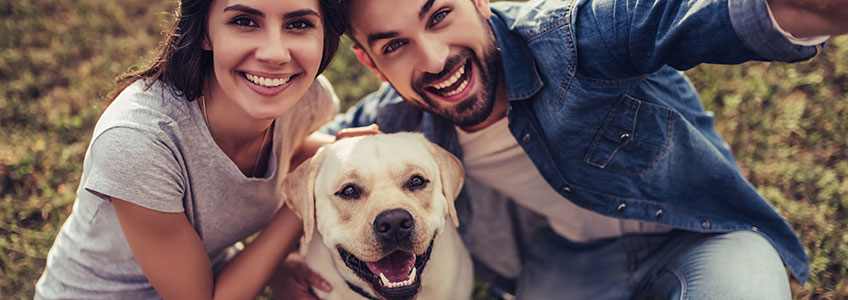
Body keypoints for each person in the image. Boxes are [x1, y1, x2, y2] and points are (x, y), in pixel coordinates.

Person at [303, 0, 848, 299]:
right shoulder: (397, 123)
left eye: (440, 15)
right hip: (569, 264)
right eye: (395, 45)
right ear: (371, 64)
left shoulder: (573, 38)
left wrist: (814, 9)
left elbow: (692, 14)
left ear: (480, 2)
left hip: (703, 235)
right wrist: (282, 260)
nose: (435, 57)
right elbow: (306, 162)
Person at [34, 0, 343, 299]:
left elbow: (292, 152)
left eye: (299, 24)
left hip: (210, 270)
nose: (275, 54)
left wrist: (347, 151)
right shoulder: (138, 140)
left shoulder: (306, 101)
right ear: (205, 32)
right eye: (244, 21)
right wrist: (304, 195)